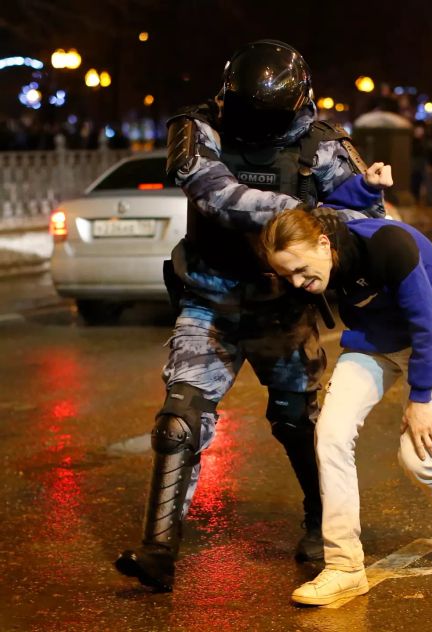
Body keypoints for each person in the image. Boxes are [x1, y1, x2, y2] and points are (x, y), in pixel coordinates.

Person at [114, 40, 391, 592]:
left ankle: (322, 526)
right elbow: (214, 194)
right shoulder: (198, 126)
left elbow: (366, 219)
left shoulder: (325, 144)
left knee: (301, 424)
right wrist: (302, 212)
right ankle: (158, 551)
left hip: (284, 307)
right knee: (179, 419)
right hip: (210, 298)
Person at [259, 208, 432, 606]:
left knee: (418, 458)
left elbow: (425, 322)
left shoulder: (388, 246)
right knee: (330, 435)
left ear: (324, 243)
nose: (299, 283)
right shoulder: (317, 243)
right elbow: (333, 192)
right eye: (288, 276)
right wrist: (367, 187)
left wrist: (420, 397)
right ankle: (344, 567)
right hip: (373, 342)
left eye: (302, 270)